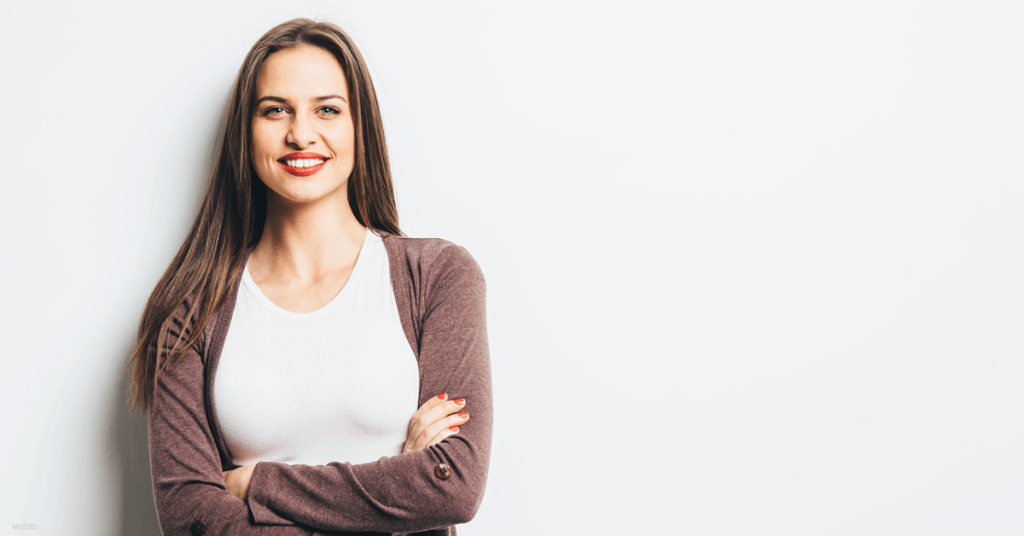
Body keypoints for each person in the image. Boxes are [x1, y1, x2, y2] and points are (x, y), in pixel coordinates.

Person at [123, 18, 491, 536]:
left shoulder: (437, 277)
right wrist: (398, 495)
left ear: (359, 127)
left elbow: (453, 486)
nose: (300, 133)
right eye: (275, 110)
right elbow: (191, 520)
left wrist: (256, 484)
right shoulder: (191, 309)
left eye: (327, 109)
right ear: (245, 133)